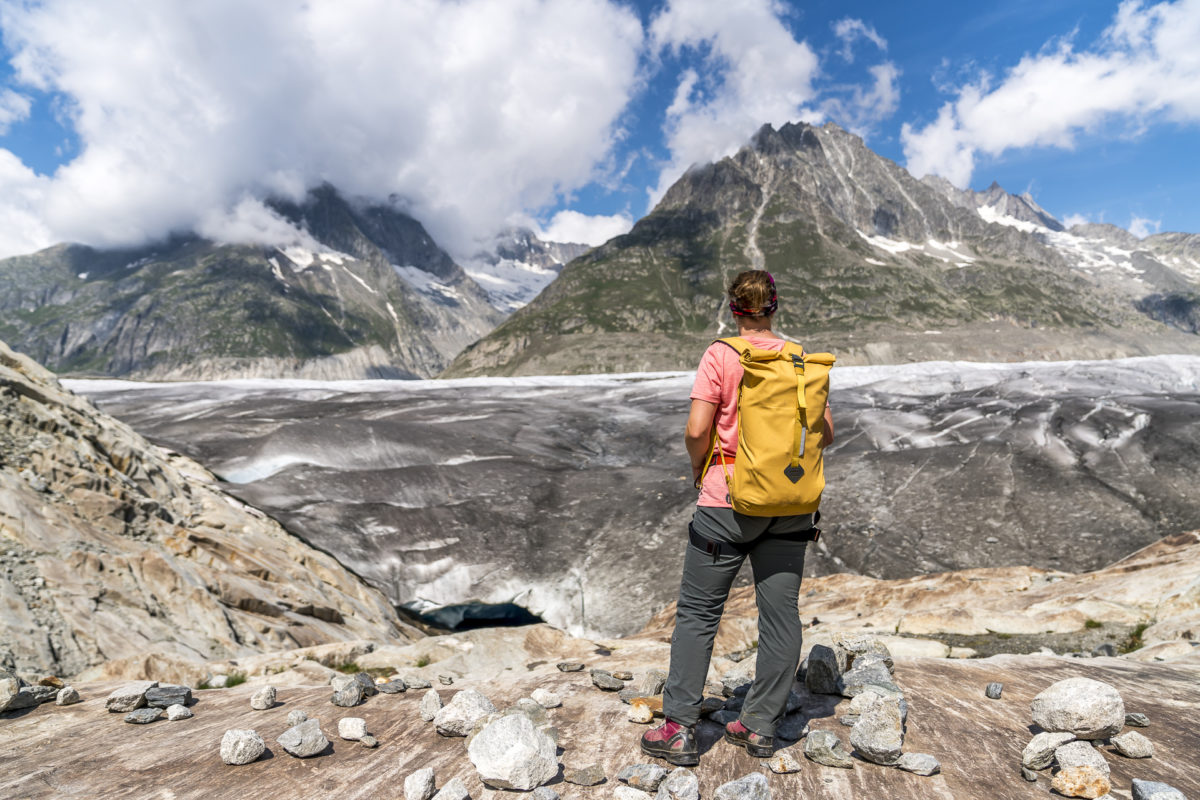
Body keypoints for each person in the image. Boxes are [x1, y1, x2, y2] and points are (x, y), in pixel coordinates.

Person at [640, 269, 834, 765]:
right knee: (780, 615)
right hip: (791, 506)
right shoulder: (798, 358)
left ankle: (679, 729)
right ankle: (760, 725)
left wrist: (698, 467)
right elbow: (825, 432)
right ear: (775, 306)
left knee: (700, 614)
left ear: (734, 310)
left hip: (726, 501)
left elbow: (696, 427)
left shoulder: (721, 355)